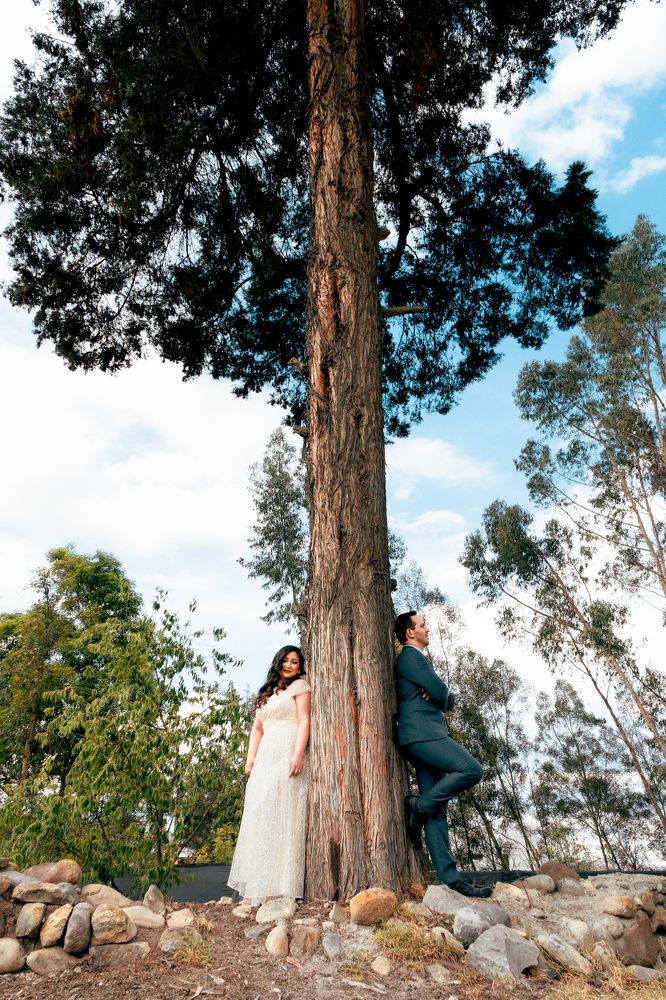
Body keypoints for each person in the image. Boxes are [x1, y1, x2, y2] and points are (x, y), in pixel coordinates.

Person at [394, 611, 491, 898]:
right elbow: (440, 690)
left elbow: (441, 694)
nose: (427, 628)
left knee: (439, 809)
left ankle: (450, 880)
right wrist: (442, 695)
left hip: (423, 735)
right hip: (424, 735)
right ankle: (419, 806)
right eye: (422, 624)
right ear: (411, 633)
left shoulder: (417, 660)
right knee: (472, 770)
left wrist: (442, 696)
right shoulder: (411, 657)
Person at [227, 644, 311, 904]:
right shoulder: (267, 693)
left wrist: (298, 754)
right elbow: (257, 729)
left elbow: (305, 720)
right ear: (278, 662)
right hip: (266, 756)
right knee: (262, 810)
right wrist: (250, 757)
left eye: (294, 662)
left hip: (287, 750)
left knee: (285, 812)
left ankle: (284, 885)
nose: (289, 665)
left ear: (300, 667)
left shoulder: (301, 687)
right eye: (285, 660)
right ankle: (261, 883)